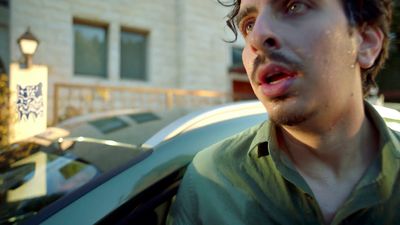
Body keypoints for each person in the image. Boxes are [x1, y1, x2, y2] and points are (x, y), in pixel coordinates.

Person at [169, 0, 399, 224]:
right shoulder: (209, 179)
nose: (256, 38)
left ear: (366, 42)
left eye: (294, 7)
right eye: (249, 24)